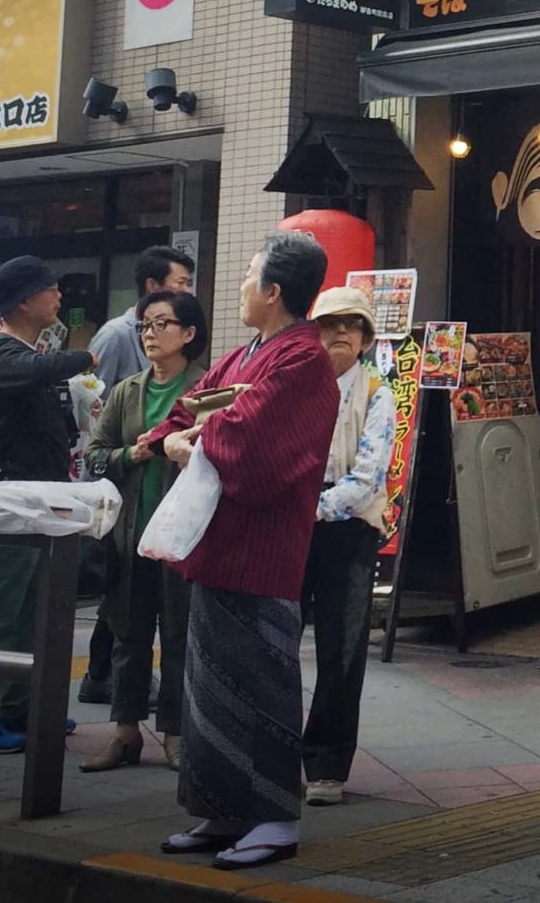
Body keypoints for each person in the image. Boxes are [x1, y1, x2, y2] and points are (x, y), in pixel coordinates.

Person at [148, 232, 338, 870]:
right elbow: (190, 410)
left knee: (262, 683)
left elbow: (251, 437)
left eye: (249, 276)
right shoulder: (251, 355)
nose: (239, 287)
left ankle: (274, 818)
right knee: (210, 683)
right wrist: (178, 436)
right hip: (222, 542)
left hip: (263, 547)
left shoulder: (303, 360)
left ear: (274, 291)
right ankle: (224, 808)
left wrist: (193, 438)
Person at [0, 257, 97, 755]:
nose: (59, 297)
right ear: (25, 301)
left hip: (39, 499)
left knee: (32, 610)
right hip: (7, 495)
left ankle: (19, 708)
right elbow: (43, 368)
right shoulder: (1, 355)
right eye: (51, 290)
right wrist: (84, 359)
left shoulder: (28, 354)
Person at [79, 289, 208, 773]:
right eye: (145, 326)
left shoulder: (204, 390)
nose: (150, 334)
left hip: (182, 536)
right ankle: (125, 733)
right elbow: (94, 456)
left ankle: (175, 733)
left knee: (178, 636)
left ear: (188, 334)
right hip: (129, 533)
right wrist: (130, 455)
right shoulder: (126, 391)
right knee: (128, 636)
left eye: (162, 324)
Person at [298, 287, 398, 804]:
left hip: (349, 530)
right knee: (275, 641)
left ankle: (327, 766)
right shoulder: (296, 386)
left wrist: (307, 508)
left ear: (365, 339)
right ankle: (271, 749)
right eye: (330, 322)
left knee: (341, 650)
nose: (341, 332)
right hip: (293, 524)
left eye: (353, 325)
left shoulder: (379, 392)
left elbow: (367, 477)